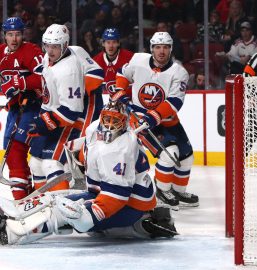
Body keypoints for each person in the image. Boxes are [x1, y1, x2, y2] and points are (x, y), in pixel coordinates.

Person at [0, 101, 177, 245]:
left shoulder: (121, 149)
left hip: (130, 206)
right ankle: (16, 211)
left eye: (115, 121)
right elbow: (90, 141)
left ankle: (11, 233)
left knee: (62, 214)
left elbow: (118, 196)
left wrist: (89, 216)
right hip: (100, 193)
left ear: (123, 124)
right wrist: (75, 147)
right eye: (107, 119)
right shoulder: (94, 128)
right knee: (54, 199)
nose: (109, 125)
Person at [112, 32, 199, 208]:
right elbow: (122, 73)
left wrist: (153, 117)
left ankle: (177, 191)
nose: (161, 51)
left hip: (167, 120)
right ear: (151, 49)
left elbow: (174, 102)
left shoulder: (179, 72)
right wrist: (120, 90)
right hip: (139, 119)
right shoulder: (138, 60)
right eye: (158, 47)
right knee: (170, 154)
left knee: (186, 156)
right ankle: (161, 191)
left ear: (171, 49)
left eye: (165, 47)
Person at [27, 24, 104, 191]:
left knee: (51, 163)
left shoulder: (68, 71)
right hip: (58, 112)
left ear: (65, 45)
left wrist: (43, 123)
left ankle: (62, 200)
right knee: (35, 163)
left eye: (55, 46)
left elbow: (70, 112)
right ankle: (42, 200)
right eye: (47, 45)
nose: (50, 50)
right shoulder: (55, 56)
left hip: (73, 116)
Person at [0, 17, 44, 200]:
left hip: (34, 107)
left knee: (16, 148)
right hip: (14, 110)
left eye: (17, 34)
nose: (14, 39)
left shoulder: (31, 51)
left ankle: (24, 197)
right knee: (10, 152)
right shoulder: (1, 53)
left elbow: (45, 75)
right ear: (4, 36)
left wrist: (20, 82)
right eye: (10, 34)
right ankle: (23, 196)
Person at [93, 28, 134, 96]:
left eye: (114, 42)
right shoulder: (95, 61)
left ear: (118, 43)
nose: (111, 46)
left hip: (126, 100)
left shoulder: (131, 58)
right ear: (103, 44)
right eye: (108, 42)